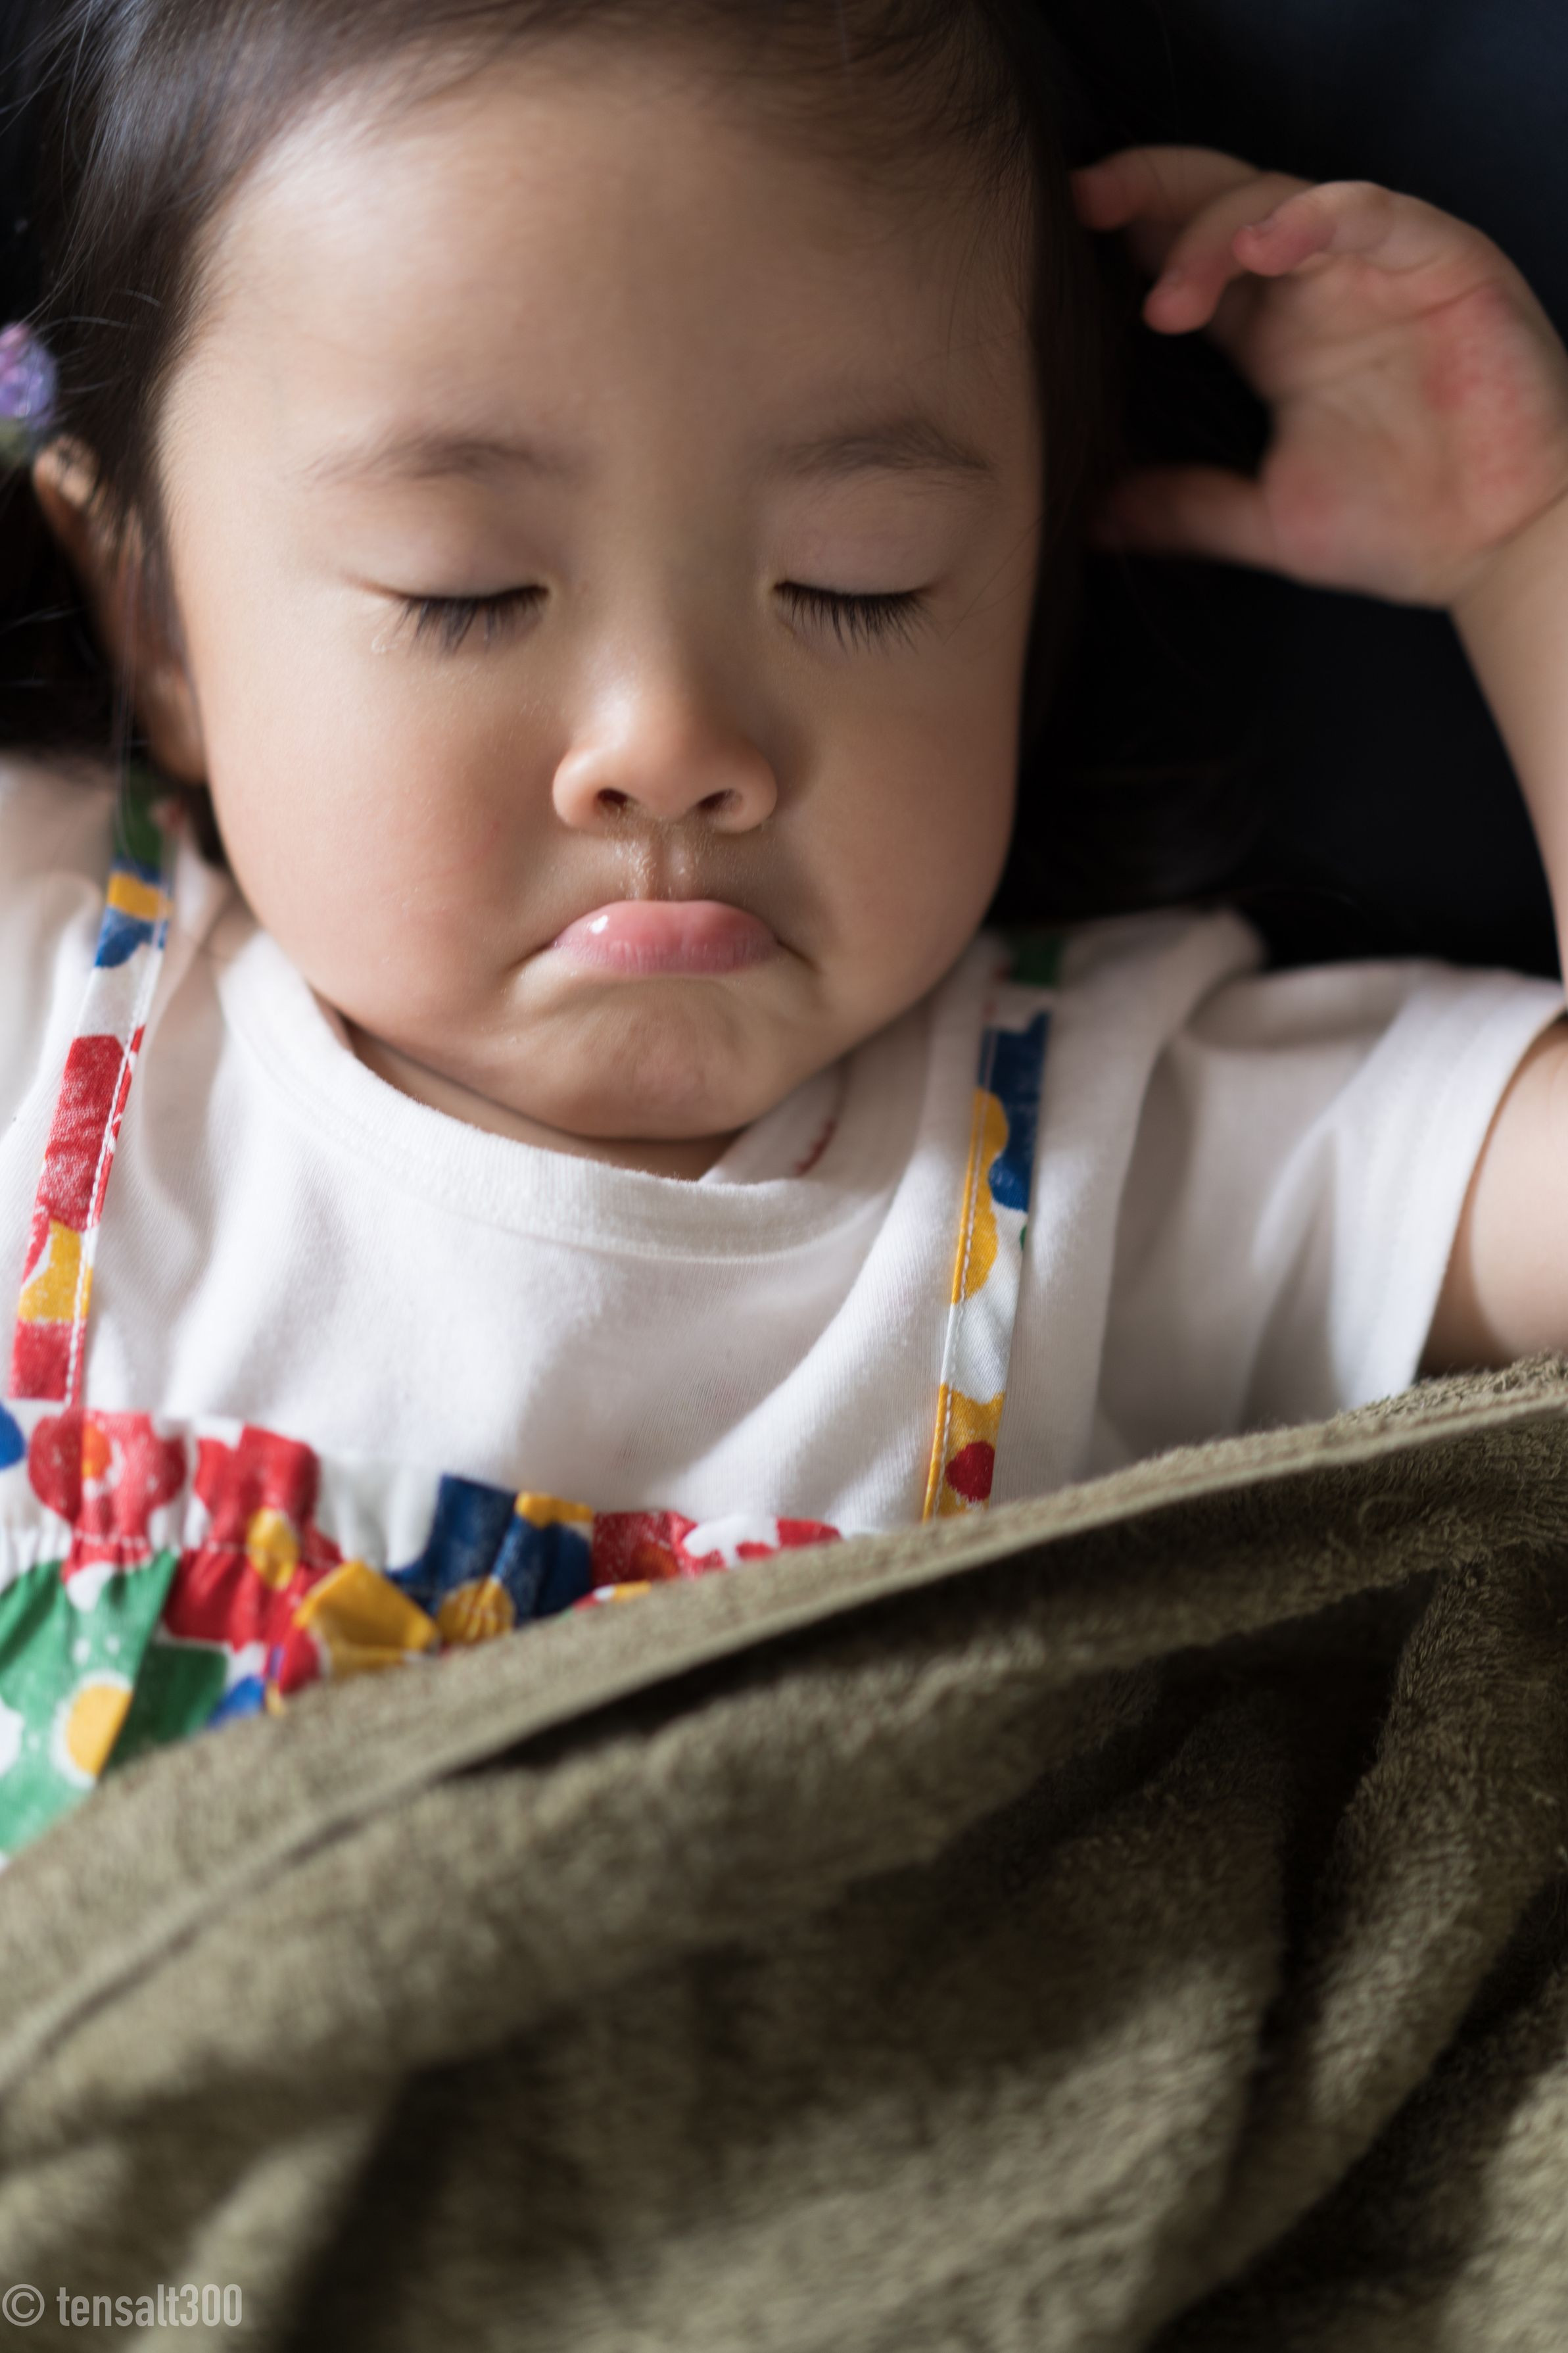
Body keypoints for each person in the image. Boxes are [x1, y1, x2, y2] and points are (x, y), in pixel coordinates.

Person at [0, 0, 1565, 1851]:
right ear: (158, 621)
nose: (670, 742)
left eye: (855, 584)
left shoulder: (1107, 1154)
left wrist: (1523, 550)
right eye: (466, 591)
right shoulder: (50, 986)